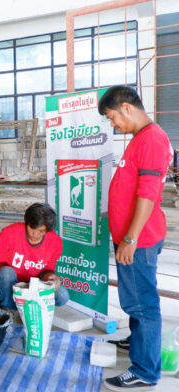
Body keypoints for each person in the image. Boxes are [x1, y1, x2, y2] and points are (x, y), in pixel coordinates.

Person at [99, 86, 173, 391]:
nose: (113, 124)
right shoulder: (141, 137)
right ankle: (138, 340)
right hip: (132, 237)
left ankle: (145, 370)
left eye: (112, 117)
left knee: (143, 304)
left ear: (127, 108)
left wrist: (130, 238)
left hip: (139, 240)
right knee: (136, 299)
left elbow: (148, 194)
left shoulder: (152, 139)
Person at [0, 203, 68, 312]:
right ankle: (8, 308)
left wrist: (50, 277)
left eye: (41, 231)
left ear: (47, 230)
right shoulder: (9, 233)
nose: (35, 235)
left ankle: (28, 306)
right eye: (32, 228)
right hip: (12, 282)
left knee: (63, 296)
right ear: (26, 223)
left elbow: (47, 270)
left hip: (36, 284)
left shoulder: (55, 241)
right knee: (6, 273)